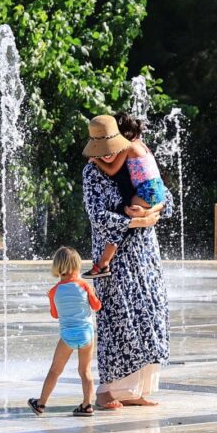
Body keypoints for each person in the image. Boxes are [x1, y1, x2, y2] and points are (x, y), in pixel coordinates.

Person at [81, 114, 169, 408]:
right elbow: (98, 217)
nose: (106, 152)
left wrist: (150, 214)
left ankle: (134, 390)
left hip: (145, 255)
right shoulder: (92, 172)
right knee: (119, 319)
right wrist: (134, 223)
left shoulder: (132, 159)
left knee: (149, 314)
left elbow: (162, 196)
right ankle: (107, 390)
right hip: (117, 260)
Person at [84, 114, 167, 280]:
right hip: (120, 275)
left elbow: (166, 201)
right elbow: (98, 217)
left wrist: (146, 215)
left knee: (127, 213)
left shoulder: (128, 149)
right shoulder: (142, 147)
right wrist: (144, 217)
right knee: (128, 215)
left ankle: (104, 262)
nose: (108, 151)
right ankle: (104, 262)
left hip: (144, 263)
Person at [28, 246, 101, 417]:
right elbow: (97, 306)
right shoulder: (83, 285)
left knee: (55, 370)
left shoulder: (54, 291)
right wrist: (94, 294)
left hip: (67, 335)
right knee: (85, 371)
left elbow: (54, 315)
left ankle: (41, 404)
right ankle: (87, 405)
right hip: (86, 334)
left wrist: (50, 298)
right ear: (77, 265)